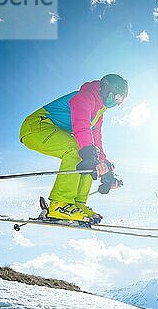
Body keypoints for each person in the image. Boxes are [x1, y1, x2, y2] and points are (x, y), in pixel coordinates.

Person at [19, 74, 128, 222]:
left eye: (118, 101)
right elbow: (81, 125)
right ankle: (60, 204)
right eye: (112, 97)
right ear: (104, 89)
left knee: (91, 155)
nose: (112, 103)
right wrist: (89, 155)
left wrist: (106, 169)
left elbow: (96, 141)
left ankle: (77, 203)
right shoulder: (85, 97)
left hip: (51, 130)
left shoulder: (100, 112)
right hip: (36, 127)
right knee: (79, 151)